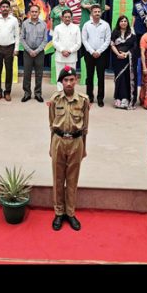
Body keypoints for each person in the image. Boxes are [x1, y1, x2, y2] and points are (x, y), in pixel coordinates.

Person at [48, 66, 90, 231]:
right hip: (58, 140)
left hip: (76, 141)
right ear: (61, 82)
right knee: (58, 179)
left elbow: (85, 127)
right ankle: (59, 212)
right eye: (65, 80)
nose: (69, 83)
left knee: (72, 180)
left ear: (76, 80)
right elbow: (51, 125)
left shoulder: (83, 100)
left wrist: (84, 148)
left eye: (71, 80)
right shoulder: (55, 100)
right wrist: (51, 146)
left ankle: (70, 213)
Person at [0, 0, 20, 101]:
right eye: (3, 7)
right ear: (0, 8)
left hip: (10, 48)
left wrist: (16, 49)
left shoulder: (14, 20)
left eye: (7, 7)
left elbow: (17, 36)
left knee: (9, 71)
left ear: (9, 8)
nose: (5, 8)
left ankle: (7, 92)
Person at [81, 4, 111, 107]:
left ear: (101, 13)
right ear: (91, 13)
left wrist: (98, 51)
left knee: (100, 76)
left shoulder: (106, 25)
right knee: (89, 76)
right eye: (95, 12)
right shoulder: (86, 25)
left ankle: (100, 98)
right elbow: (84, 40)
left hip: (101, 54)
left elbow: (107, 40)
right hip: (89, 54)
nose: (97, 13)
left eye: (99, 12)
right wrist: (91, 51)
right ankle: (90, 96)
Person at [20, 4, 48, 102]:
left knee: (39, 74)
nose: (34, 13)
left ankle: (38, 94)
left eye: (36, 11)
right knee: (27, 74)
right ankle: (27, 93)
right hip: (28, 52)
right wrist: (29, 50)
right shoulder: (25, 24)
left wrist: (36, 51)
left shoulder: (44, 24)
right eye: (32, 11)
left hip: (39, 52)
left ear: (39, 12)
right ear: (29, 13)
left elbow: (45, 40)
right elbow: (22, 39)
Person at [111, 16, 139, 110]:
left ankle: (126, 98)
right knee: (119, 78)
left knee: (127, 78)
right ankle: (118, 97)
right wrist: (118, 54)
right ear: (119, 23)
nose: (123, 23)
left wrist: (127, 54)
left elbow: (135, 47)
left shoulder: (132, 33)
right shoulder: (115, 33)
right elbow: (112, 45)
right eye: (121, 21)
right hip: (117, 59)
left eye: (125, 21)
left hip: (128, 60)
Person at [52, 9, 81, 92]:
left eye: (69, 17)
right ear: (62, 17)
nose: (67, 19)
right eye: (65, 17)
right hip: (60, 56)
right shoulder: (57, 28)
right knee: (60, 76)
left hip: (71, 57)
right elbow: (54, 41)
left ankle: (70, 93)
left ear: (71, 17)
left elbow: (78, 43)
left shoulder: (76, 28)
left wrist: (69, 51)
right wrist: (62, 50)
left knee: (71, 76)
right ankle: (60, 94)